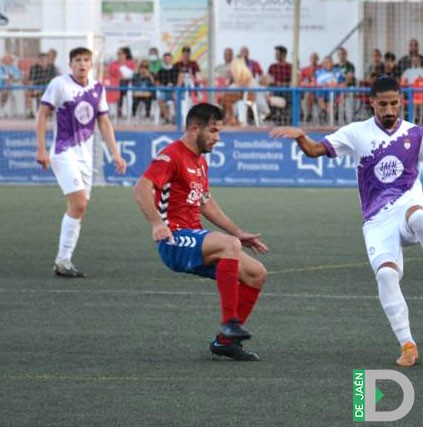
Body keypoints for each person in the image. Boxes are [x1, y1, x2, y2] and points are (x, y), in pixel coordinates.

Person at [270, 76, 423, 367]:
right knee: (386, 276)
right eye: (383, 104)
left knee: (421, 216)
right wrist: (300, 136)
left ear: (401, 102)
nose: (389, 109)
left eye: (394, 103)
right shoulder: (356, 133)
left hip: (407, 207)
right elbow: (314, 151)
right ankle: (408, 345)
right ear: (371, 102)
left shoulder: (416, 134)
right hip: (376, 221)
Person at [133, 103, 268, 361]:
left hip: (194, 238)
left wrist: (238, 232)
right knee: (229, 245)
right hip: (174, 240)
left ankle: (225, 343)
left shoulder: (200, 161)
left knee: (256, 274)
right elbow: (140, 189)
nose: (217, 138)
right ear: (195, 129)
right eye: (214, 131)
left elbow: (205, 201)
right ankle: (229, 322)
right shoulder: (171, 155)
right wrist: (157, 224)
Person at [35, 47, 127, 277]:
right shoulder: (59, 84)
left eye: (86, 60)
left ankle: (63, 261)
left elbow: (104, 123)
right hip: (63, 151)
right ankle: (63, 261)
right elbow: (43, 114)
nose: (82, 64)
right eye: (77, 60)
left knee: (78, 208)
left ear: (92, 64)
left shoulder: (97, 88)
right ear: (70, 64)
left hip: (85, 157)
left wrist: (115, 154)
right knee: (80, 203)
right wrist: (41, 149)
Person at [25, 52, 56, 118]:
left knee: (52, 92)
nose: (43, 61)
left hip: (48, 88)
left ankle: (49, 112)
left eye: (44, 59)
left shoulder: (51, 67)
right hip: (36, 88)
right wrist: (33, 89)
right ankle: (31, 112)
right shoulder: (34, 68)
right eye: (41, 59)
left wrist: (43, 89)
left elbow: (53, 81)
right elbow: (31, 81)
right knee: (28, 93)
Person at [155, 52, 179, 124]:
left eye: (168, 59)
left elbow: (179, 81)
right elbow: (157, 82)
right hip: (164, 91)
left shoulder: (176, 69)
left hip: (174, 90)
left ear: (171, 59)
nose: (167, 60)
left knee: (177, 98)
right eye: (165, 59)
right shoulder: (160, 71)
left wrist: (175, 89)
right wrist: (161, 86)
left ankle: (175, 117)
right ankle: (166, 118)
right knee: (160, 99)